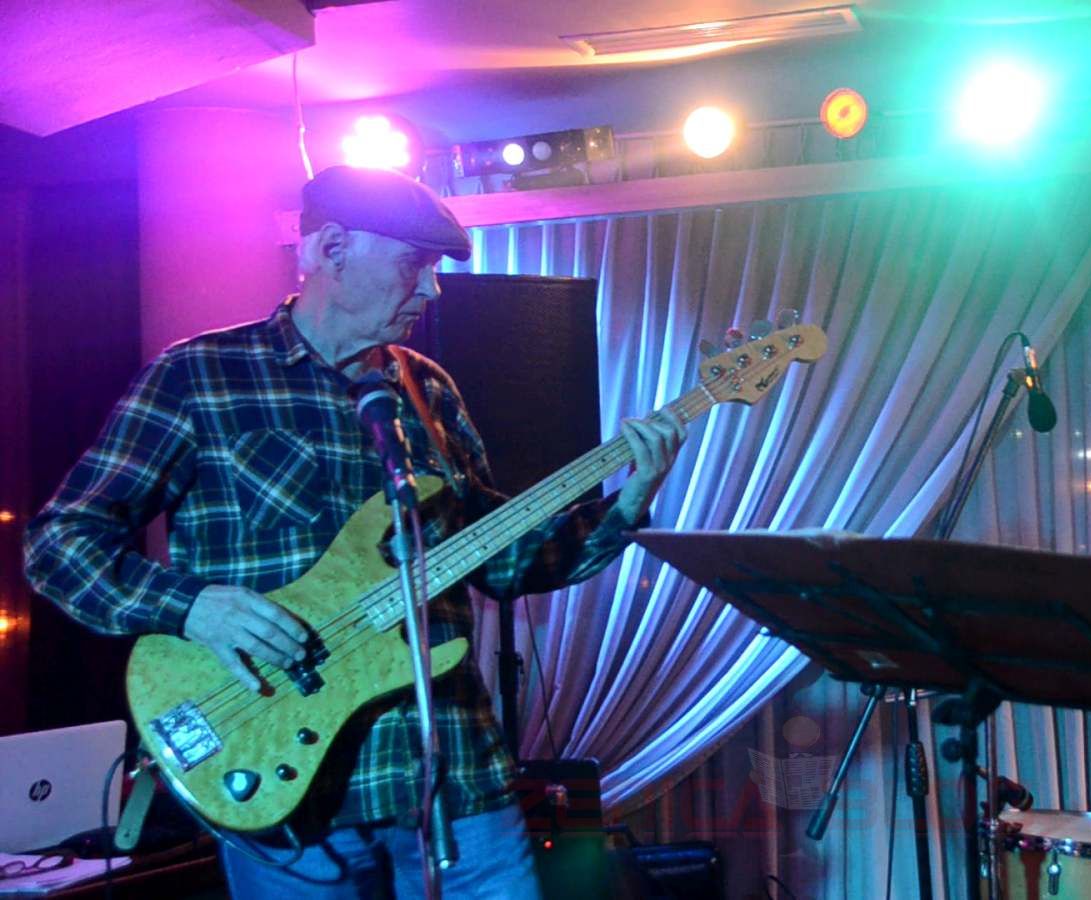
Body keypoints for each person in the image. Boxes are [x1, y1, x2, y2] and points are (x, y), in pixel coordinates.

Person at [22, 165, 687, 898]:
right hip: (289, 783)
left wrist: (628, 501)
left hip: (451, 773)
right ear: (331, 249)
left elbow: (499, 561)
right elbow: (61, 543)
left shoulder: (427, 391)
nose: (432, 290)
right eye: (414, 264)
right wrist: (192, 606)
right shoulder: (199, 377)